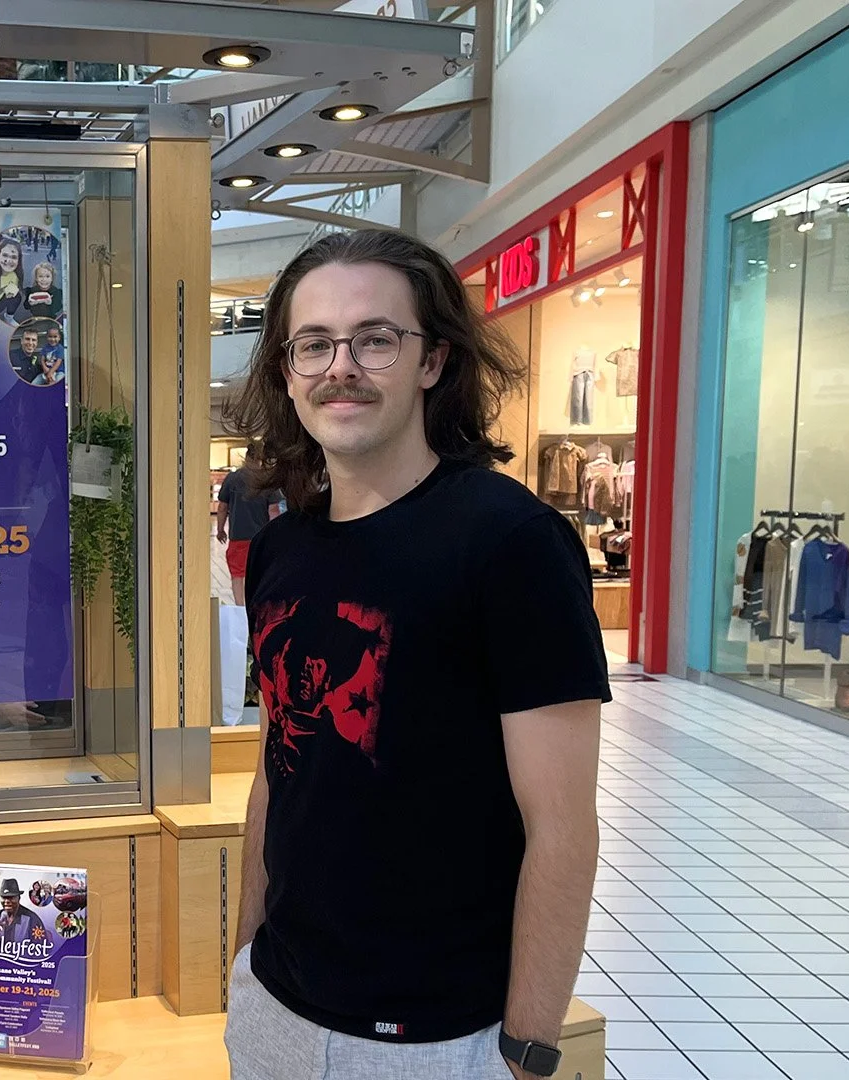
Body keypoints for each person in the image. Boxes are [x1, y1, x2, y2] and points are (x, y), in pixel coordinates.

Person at [223, 229, 607, 1080]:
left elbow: (564, 825)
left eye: (375, 339)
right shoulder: (283, 553)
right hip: (275, 1008)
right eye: (313, 344)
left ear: (432, 361)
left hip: (437, 1039)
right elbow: (274, 770)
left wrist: (530, 1045)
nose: (340, 366)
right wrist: (243, 957)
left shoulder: (511, 543)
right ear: (287, 373)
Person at [215, 449, 281, 607]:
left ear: (246, 457)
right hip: (261, 538)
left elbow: (222, 507)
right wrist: (277, 536)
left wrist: (220, 529)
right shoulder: (266, 479)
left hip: (238, 537)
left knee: (237, 575)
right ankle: (256, 606)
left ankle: (239, 608)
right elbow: (273, 511)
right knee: (261, 573)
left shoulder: (232, 478)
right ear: (260, 459)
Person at [0, 879, 44, 944]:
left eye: (11, 897)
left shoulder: (32, 919)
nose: (7, 901)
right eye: (4, 897)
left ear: (19, 898)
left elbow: (44, 948)